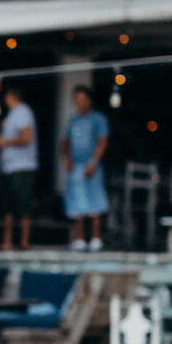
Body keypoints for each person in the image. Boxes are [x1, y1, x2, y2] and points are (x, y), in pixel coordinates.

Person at [61, 85, 109, 251]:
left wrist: (93, 162)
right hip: (76, 166)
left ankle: (96, 238)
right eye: (77, 100)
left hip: (92, 166)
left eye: (82, 100)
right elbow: (65, 143)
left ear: (89, 101)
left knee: (95, 202)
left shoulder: (98, 119)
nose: (79, 103)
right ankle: (80, 239)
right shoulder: (73, 121)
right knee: (77, 203)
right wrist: (66, 159)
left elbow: (102, 142)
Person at [0, 87, 38, 250]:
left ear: (10, 97)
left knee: (23, 204)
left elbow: (27, 137)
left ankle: (24, 241)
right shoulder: (13, 114)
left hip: (22, 166)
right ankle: (8, 241)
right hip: (10, 167)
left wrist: (5, 141)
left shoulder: (22, 111)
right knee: (9, 205)